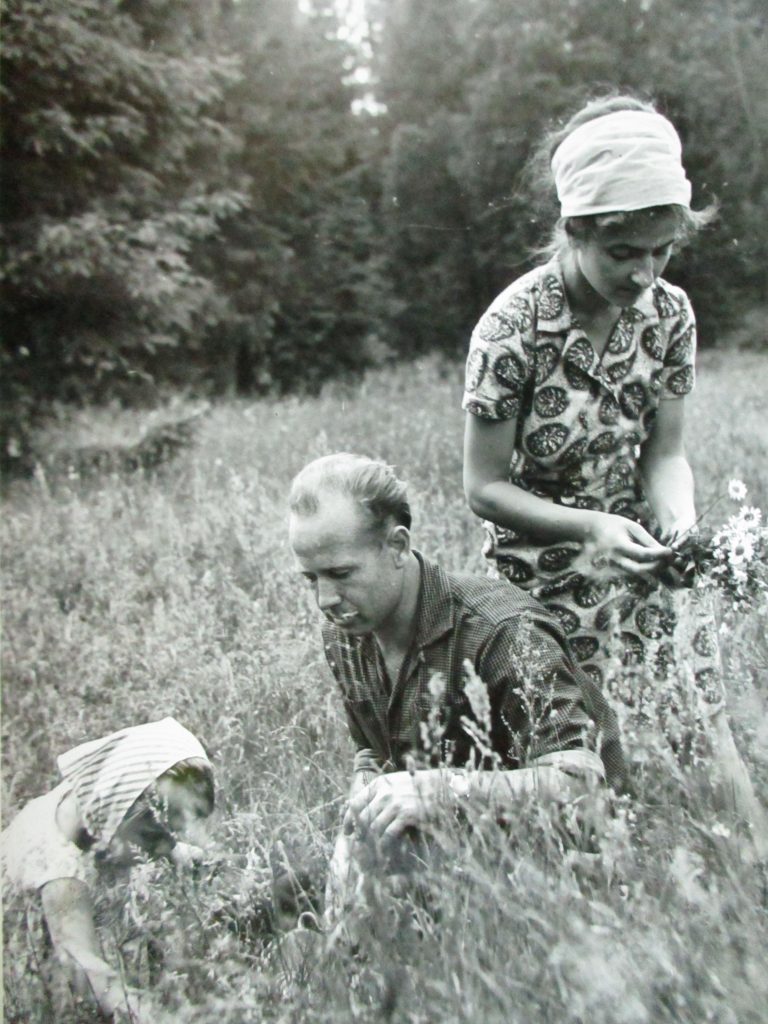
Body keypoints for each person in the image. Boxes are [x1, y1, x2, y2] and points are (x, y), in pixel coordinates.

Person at [461, 94, 767, 857]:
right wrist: (589, 527)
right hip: (543, 560)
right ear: (577, 230)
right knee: (590, 739)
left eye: (662, 250)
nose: (645, 273)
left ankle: (753, 864)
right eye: (623, 253)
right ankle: (617, 874)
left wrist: (680, 528)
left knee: (700, 705)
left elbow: (666, 455)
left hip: (638, 544)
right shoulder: (512, 329)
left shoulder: (670, 316)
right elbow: (484, 488)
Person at [288, 453, 624, 924]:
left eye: (341, 574)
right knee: (287, 893)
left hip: (575, 859)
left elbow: (580, 786)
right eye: (311, 579)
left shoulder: (503, 630)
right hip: (453, 836)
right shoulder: (345, 634)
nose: (325, 600)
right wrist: (356, 823)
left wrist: (442, 790)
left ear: (397, 546)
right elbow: (377, 752)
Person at [1, 716, 215, 1019]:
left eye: (174, 832)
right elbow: (92, 981)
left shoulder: (90, 804)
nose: (163, 846)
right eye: (157, 833)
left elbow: (152, 829)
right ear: (116, 804)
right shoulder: (60, 873)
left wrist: (178, 851)